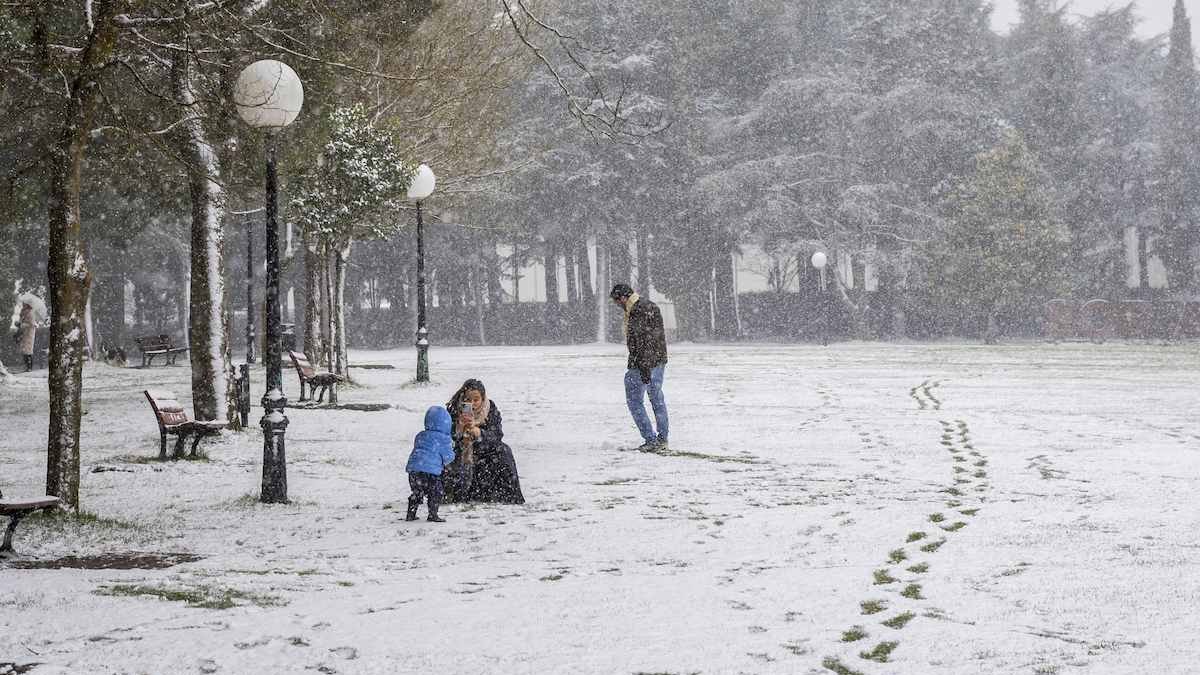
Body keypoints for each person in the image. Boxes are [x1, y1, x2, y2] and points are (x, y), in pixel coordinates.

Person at [444, 379, 525, 504]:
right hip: (460, 451)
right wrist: (458, 429)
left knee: (504, 451)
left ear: (482, 398)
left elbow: (497, 435)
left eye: (476, 400)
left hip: (484, 451)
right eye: (468, 400)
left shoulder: (489, 409)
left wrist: (479, 433)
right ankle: (456, 494)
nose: (472, 403)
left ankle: (509, 496)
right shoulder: (454, 410)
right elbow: (444, 437)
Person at [610, 283, 669, 452]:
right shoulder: (648, 305)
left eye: (616, 302)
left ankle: (650, 440)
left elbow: (644, 341)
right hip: (658, 360)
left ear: (622, 298)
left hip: (643, 363)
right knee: (657, 399)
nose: (617, 305)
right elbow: (654, 338)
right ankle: (663, 439)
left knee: (634, 400)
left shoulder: (637, 310)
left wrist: (643, 368)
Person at [404, 405, 456, 522]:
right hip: (430, 472)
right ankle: (433, 514)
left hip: (414, 470)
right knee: (436, 492)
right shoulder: (444, 439)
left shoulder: (420, 435)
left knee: (417, 492)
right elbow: (448, 457)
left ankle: (411, 514)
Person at [17, 302, 37, 372]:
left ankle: (29, 367)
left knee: (28, 351)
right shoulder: (23, 312)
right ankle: (27, 366)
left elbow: (32, 324)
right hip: (23, 333)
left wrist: (22, 325)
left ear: (28, 305)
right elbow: (21, 321)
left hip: (29, 334)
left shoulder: (31, 313)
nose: (23, 305)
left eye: (24, 304)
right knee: (24, 351)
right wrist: (19, 323)